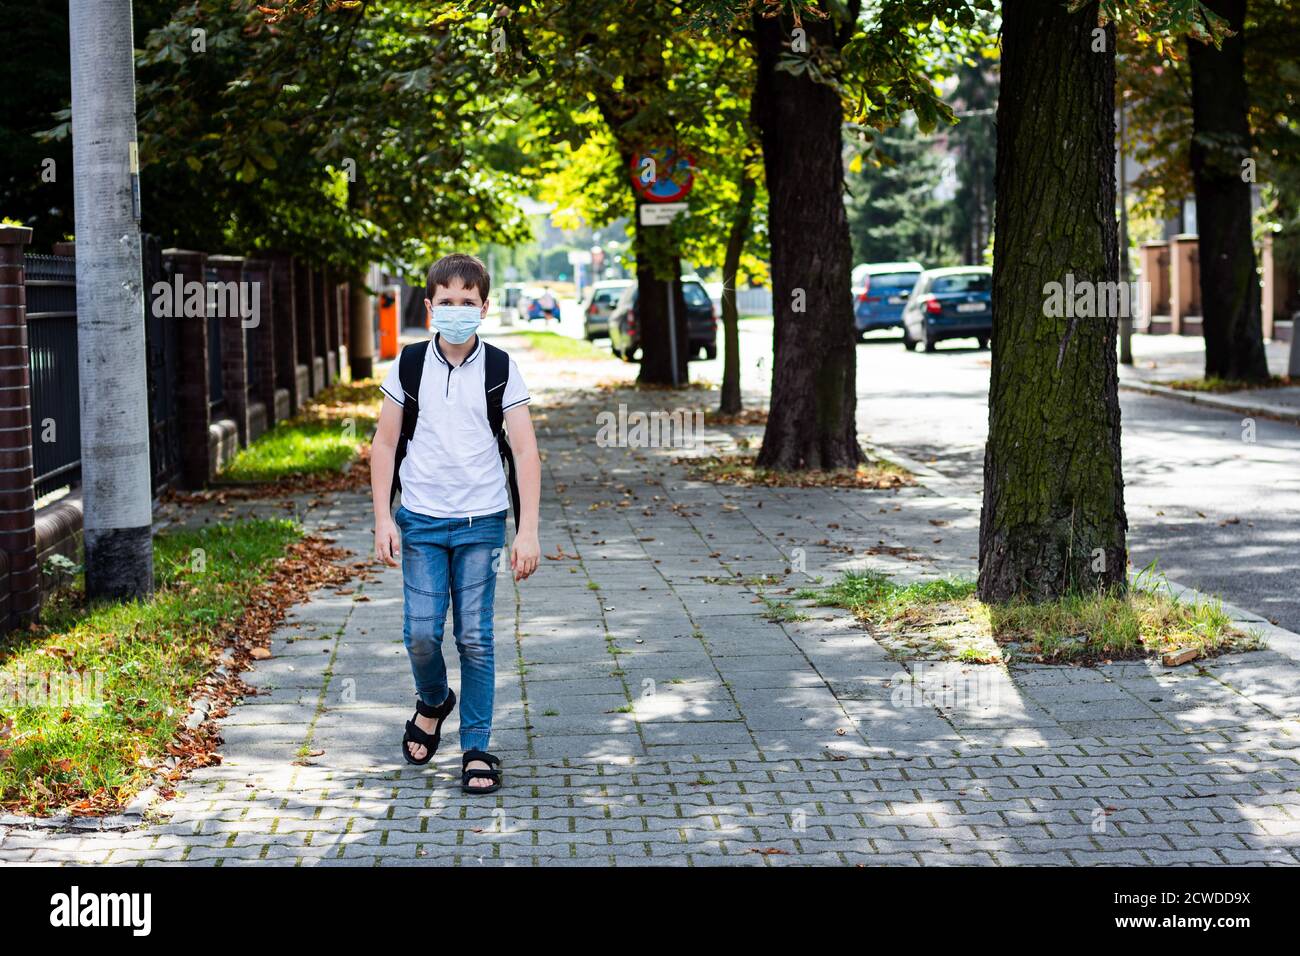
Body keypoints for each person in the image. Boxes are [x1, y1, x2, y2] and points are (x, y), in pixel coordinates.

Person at [371, 253, 541, 793]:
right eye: (447, 302)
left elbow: (526, 451)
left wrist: (528, 529)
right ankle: (433, 700)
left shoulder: (500, 367)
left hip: (482, 522)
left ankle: (476, 745)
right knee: (420, 633)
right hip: (419, 519)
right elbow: (385, 442)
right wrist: (382, 517)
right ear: (429, 307)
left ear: (484, 308)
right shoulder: (409, 363)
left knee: (476, 637)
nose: (457, 311)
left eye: (468, 303)